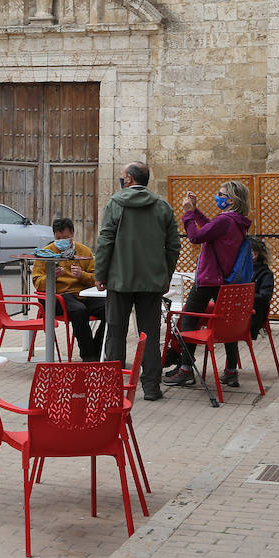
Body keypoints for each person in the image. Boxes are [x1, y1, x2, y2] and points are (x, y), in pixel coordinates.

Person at [94, 161, 181, 401]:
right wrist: (165, 275)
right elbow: (174, 246)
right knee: (149, 335)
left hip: (119, 280)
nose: (120, 179)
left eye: (122, 176)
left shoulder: (115, 203)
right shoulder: (162, 207)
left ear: (130, 179)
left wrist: (100, 273)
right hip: (152, 282)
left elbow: (105, 241)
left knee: (115, 333)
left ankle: (112, 389)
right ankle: (151, 387)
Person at [163, 180, 252, 389]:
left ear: (230, 199)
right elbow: (211, 228)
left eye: (220, 194)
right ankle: (231, 370)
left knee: (189, 320)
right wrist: (196, 211)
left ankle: (186, 369)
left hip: (209, 278)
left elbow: (195, 236)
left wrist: (187, 214)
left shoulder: (225, 221)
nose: (217, 197)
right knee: (227, 324)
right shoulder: (236, 221)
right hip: (225, 280)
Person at [32, 217, 104, 361]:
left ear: (72, 234)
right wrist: (52, 276)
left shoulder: (84, 251)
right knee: (79, 311)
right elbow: (37, 282)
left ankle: (98, 348)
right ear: (54, 236)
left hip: (83, 294)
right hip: (60, 296)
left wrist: (82, 275)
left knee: (112, 309)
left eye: (65, 237)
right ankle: (89, 355)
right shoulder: (45, 253)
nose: (62, 241)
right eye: (58, 238)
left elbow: (97, 277)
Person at [249, 237, 274, 341]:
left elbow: (264, 297)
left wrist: (244, 297)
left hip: (253, 317)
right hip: (239, 313)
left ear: (255, 254)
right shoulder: (240, 271)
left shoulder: (265, 274)